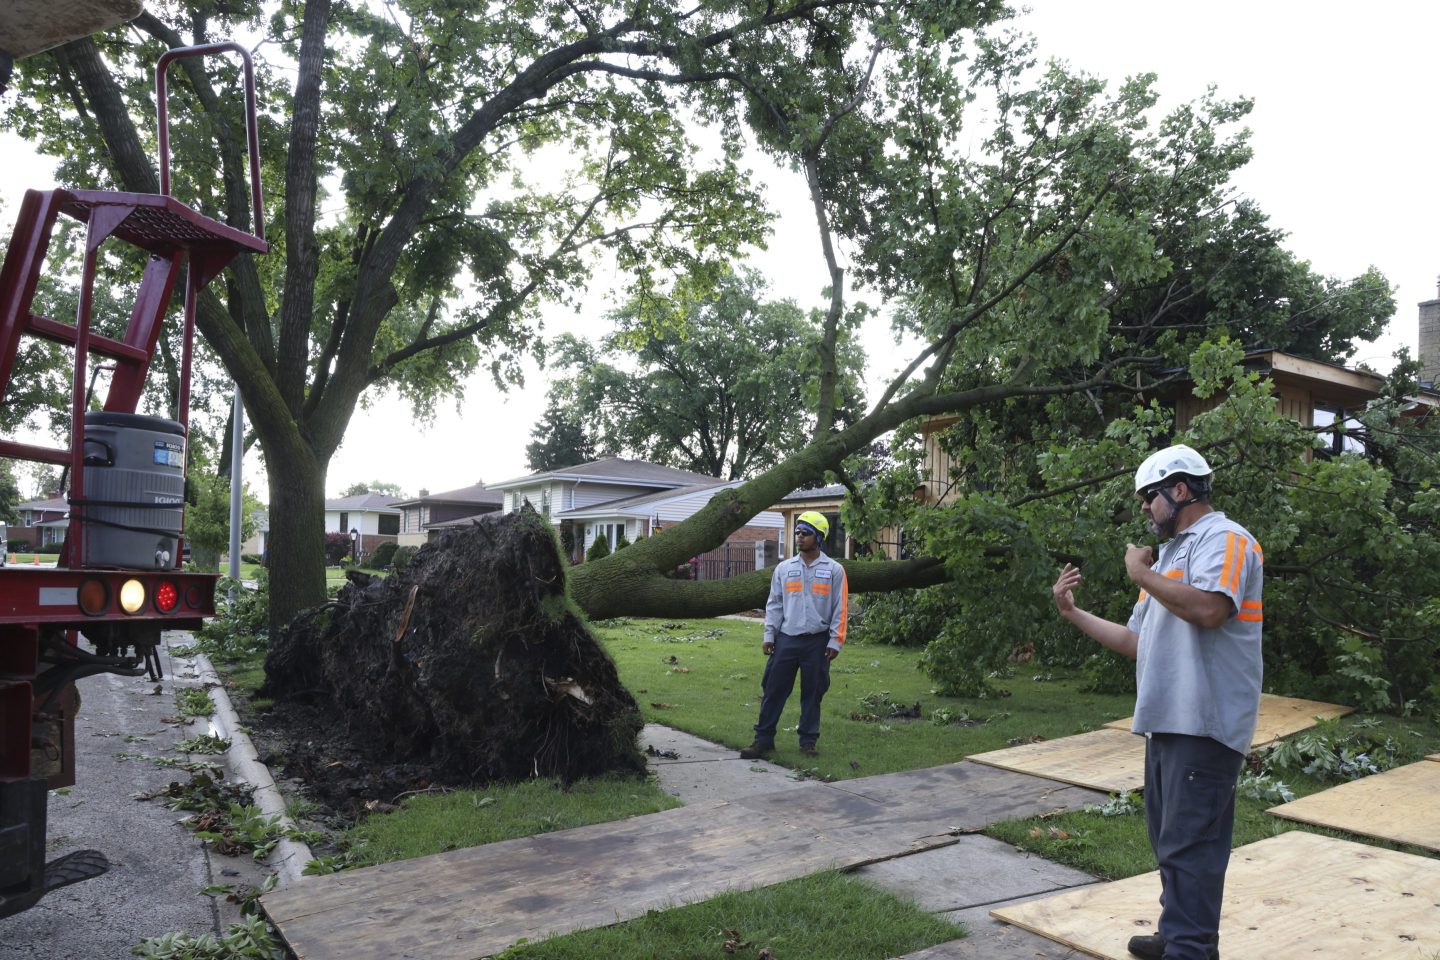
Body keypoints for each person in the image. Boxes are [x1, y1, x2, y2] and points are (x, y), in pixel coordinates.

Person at [1051, 445, 1262, 960]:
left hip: (1206, 722)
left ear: (1180, 490)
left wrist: (1140, 574)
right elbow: (1135, 641)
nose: (1144, 508)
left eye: (1149, 498)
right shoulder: (1168, 557)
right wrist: (1071, 611)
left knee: (1192, 847)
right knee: (1170, 841)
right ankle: (1176, 934)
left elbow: (1212, 610)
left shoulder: (1226, 540)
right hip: (1167, 719)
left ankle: (1190, 950)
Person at [740, 511, 849, 759]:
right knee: (773, 690)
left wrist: (835, 641)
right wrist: (769, 636)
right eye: (797, 532)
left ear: (819, 537)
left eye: (805, 533)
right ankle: (763, 740)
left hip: (818, 641)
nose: (799, 537)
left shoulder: (835, 570)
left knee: (813, 692)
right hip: (786, 639)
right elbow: (775, 605)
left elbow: (840, 609)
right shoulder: (783, 569)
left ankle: (808, 742)